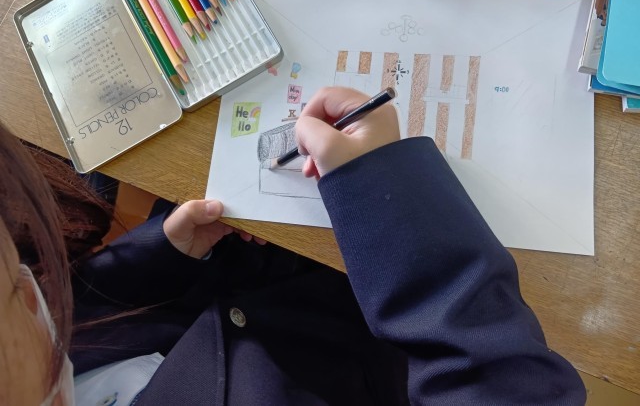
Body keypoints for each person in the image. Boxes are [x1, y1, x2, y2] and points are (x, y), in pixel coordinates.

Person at [0, 86, 586, 405]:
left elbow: (79, 312)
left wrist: (163, 255)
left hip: (234, 264)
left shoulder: (35, 333)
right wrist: (386, 194)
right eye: (16, 292)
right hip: (375, 329)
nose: (36, 293)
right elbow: (508, 390)